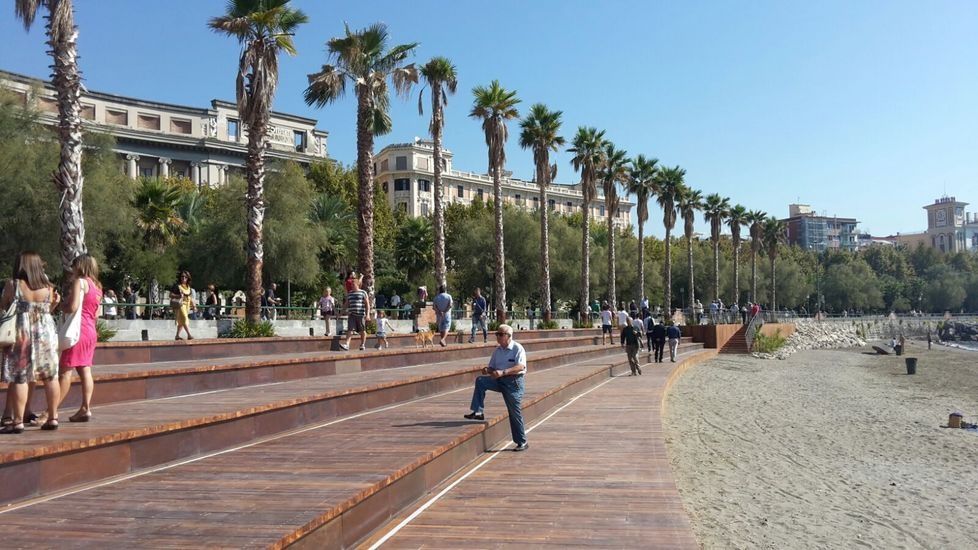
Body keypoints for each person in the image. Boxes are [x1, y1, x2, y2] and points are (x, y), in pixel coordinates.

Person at [1, 252, 61, 433]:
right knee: (50, 375)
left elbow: (3, 305)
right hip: (45, 334)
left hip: (21, 333)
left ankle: (17, 421)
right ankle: (53, 417)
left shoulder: (13, 285)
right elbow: (48, 310)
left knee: (20, 376)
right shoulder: (49, 288)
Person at [463, 324, 528, 452]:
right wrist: (487, 370)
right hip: (499, 380)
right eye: (497, 334)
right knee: (481, 381)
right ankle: (478, 412)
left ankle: (522, 441)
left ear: (508, 336)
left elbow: (521, 367)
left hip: (514, 383)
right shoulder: (497, 351)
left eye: (500, 334)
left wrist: (503, 372)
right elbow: (492, 367)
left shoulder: (517, 348)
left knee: (514, 412)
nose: (497, 337)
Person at [58, 254, 103, 424]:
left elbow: (73, 306)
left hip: (78, 331)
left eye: (75, 266)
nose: (72, 269)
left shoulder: (80, 282)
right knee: (85, 370)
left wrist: (60, 305)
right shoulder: (98, 287)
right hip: (91, 330)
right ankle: (85, 408)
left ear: (81, 267)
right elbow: (97, 313)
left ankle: (50, 412)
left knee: (65, 372)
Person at [340, 277, 370, 351]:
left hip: (361, 314)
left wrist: (368, 314)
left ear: (357, 284)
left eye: (353, 284)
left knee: (362, 330)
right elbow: (346, 304)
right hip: (352, 314)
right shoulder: (350, 293)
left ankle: (362, 344)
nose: (352, 286)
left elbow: (367, 304)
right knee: (350, 329)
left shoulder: (363, 292)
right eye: (351, 285)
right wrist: (341, 312)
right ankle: (347, 344)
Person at [170, 271, 195, 340]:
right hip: (180, 304)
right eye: (182, 276)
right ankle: (189, 335)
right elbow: (170, 295)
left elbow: (190, 297)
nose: (184, 278)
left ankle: (177, 335)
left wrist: (193, 305)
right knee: (184, 318)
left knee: (181, 321)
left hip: (187, 305)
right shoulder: (177, 286)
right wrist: (178, 295)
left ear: (188, 278)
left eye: (185, 277)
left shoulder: (188, 287)